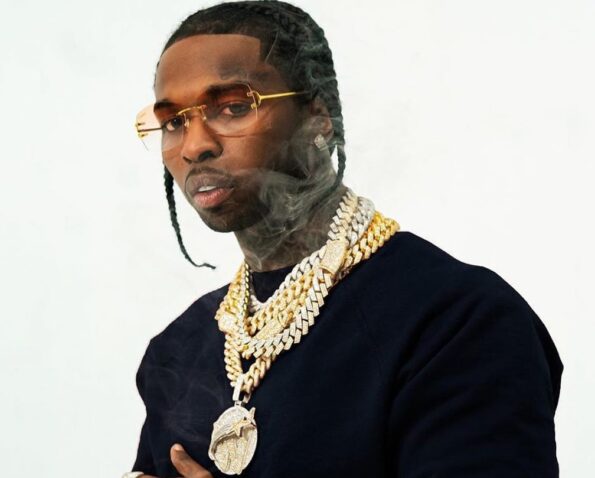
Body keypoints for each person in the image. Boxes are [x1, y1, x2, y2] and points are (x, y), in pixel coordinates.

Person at [126, 1, 563, 477]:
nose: (194, 146)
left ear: (318, 117)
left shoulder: (455, 321)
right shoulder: (178, 350)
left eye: (233, 107)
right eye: (174, 122)